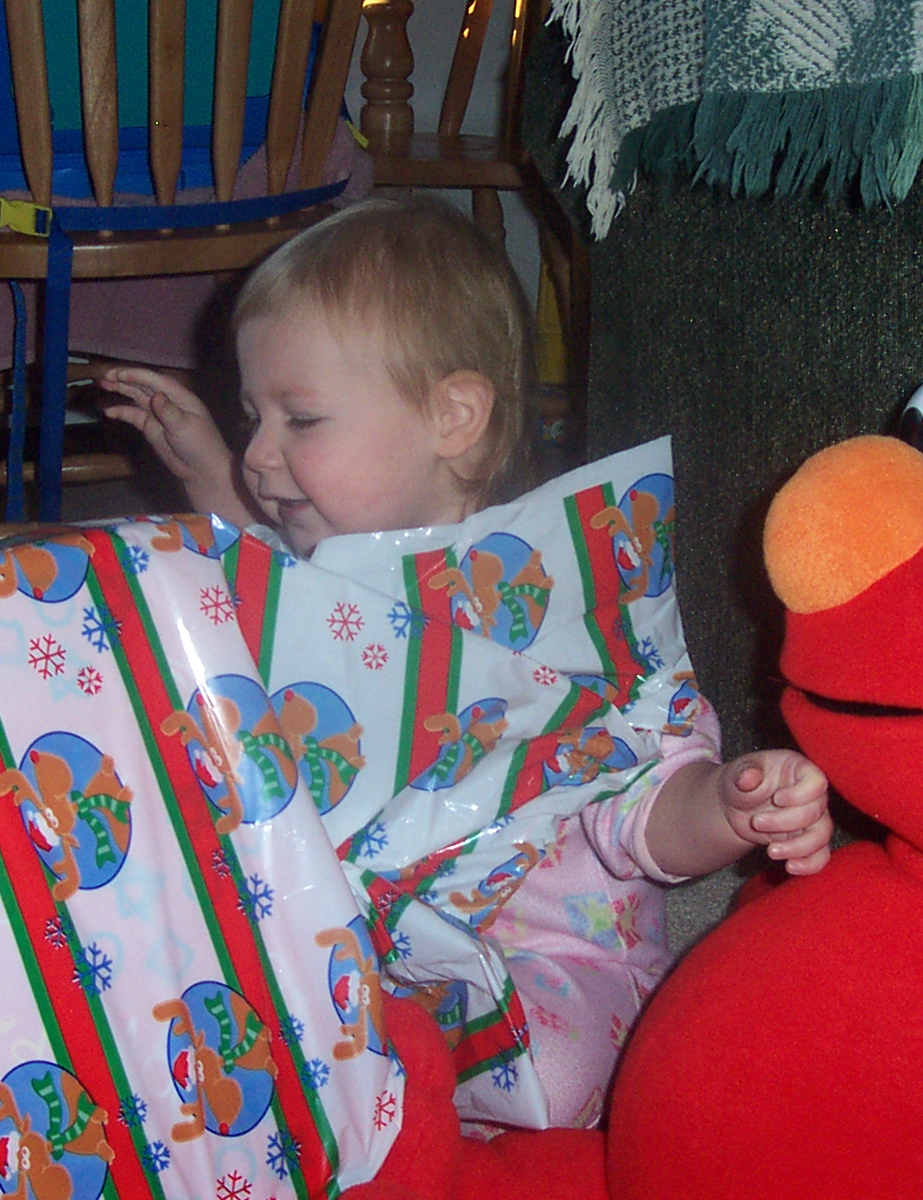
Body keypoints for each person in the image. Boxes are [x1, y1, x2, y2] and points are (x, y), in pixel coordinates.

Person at [101, 195, 832, 1127]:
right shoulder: (320, 573)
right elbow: (273, 608)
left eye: (301, 419)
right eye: (253, 418)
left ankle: (398, 1099)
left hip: (551, 961)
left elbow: (644, 806)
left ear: (453, 417)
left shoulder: (557, 608)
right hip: (363, 942)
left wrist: (727, 807)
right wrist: (207, 472)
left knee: (565, 1067)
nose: (259, 454)